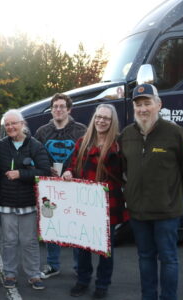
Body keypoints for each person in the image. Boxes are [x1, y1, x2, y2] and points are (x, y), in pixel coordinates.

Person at [120, 84, 183, 300]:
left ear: (158, 104)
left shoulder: (175, 132)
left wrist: (171, 196)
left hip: (166, 214)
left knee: (169, 259)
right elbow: (125, 170)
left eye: (147, 103)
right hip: (138, 213)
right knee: (145, 258)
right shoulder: (127, 135)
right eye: (138, 105)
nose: (143, 109)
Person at [62, 104, 129, 299]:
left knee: (104, 249)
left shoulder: (118, 145)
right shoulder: (83, 142)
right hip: (84, 202)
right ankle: (83, 281)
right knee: (82, 246)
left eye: (106, 118)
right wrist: (68, 172)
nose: (101, 121)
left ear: (112, 121)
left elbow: (126, 172)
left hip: (108, 202)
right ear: (94, 118)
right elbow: (73, 165)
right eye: (98, 117)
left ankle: (102, 284)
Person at [33, 93, 86, 278]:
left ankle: (80, 267)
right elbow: (36, 156)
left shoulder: (81, 130)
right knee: (52, 224)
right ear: (51, 109)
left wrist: (72, 170)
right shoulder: (42, 132)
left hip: (74, 184)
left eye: (62, 106)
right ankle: (53, 264)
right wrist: (46, 168)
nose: (58, 109)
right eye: (55, 106)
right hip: (51, 186)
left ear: (69, 109)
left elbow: (85, 157)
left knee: (76, 226)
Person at [0, 109, 50, 291]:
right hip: (6, 201)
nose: (11, 127)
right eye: (8, 124)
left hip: (28, 202)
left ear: (22, 124)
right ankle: (9, 273)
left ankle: (33, 274)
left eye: (14, 123)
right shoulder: (1, 145)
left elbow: (44, 171)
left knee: (29, 241)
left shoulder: (35, 145)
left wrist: (21, 174)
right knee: (9, 240)